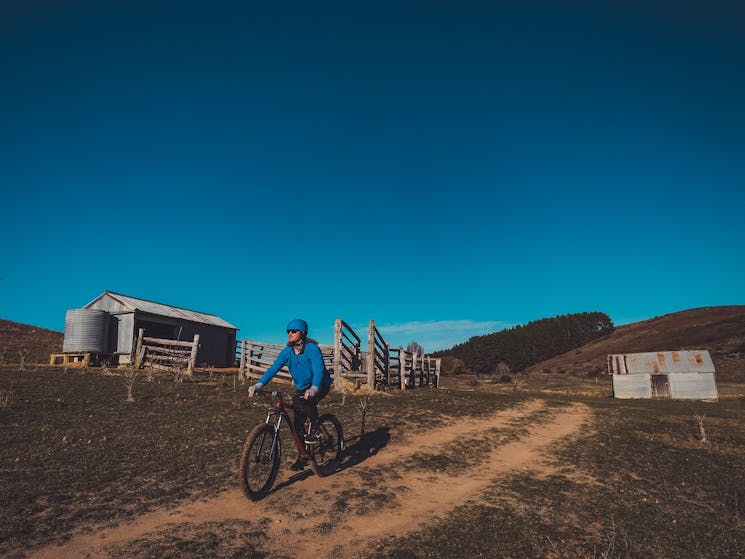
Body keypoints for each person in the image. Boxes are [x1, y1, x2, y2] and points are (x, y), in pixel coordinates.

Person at [248, 318, 332, 470]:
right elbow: (273, 368)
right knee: (297, 422)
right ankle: (303, 455)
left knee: (308, 404)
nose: (290, 334)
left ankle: (315, 430)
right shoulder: (287, 352)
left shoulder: (312, 348)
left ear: (303, 333)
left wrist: (314, 388)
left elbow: (319, 370)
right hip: (301, 388)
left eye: (294, 331)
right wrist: (259, 384)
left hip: (319, 384)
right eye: (288, 331)